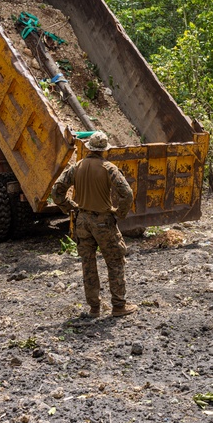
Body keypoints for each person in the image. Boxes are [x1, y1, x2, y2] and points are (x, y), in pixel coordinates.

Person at [51, 131, 137, 318]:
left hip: (82, 221)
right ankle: (118, 306)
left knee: (88, 264)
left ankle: (94, 308)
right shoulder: (109, 168)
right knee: (115, 261)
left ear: (89, 147)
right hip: (103, 222)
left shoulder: (77, 167)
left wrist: (70, 207)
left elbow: (56, 191)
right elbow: (127, 194)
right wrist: (119, 213)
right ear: (105, 150)